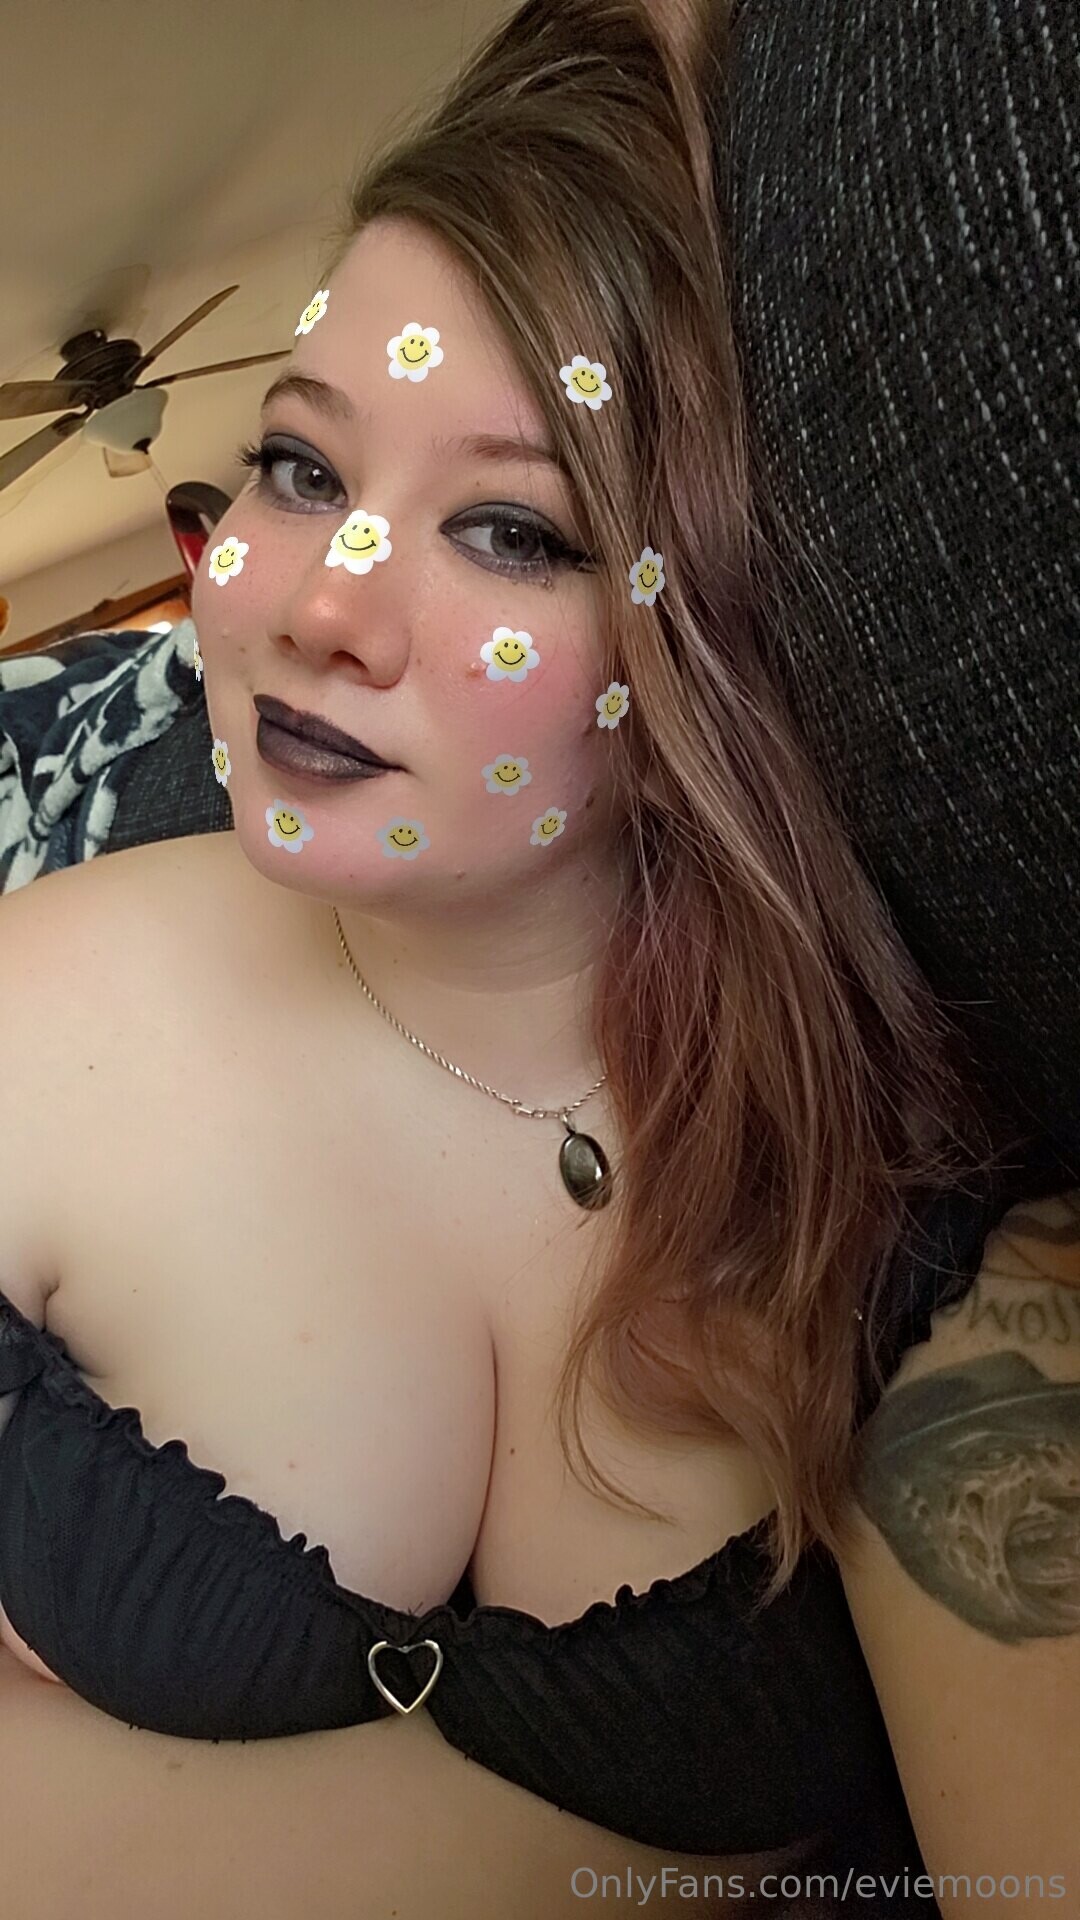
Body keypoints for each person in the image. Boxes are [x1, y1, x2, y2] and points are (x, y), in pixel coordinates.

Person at [1, 3, 1074, 1916]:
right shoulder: (38, 1006)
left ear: (712, 643)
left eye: (508, 530)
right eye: (301, 470)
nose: (322, 609)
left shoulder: (918, 1188)